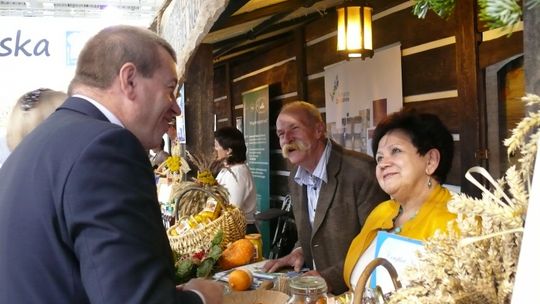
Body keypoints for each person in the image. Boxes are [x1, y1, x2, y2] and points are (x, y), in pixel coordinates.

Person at [0, 25, 223, 304]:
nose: (176, 108)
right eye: (170, 90)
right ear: (129, 80)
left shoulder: (32, 149)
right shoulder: (106, 147)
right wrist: (201, 297)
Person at [263, 101, 388, 294]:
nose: (287, 138)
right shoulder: (295, 175)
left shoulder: (362, 171)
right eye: (280, 134)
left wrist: (329, 278)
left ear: (319, 130)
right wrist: (299, 251)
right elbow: (315, 229)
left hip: (356, 292)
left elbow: (377, 243)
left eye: (294, 128)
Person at [342, 109, 457, 290]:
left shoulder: (455, 221)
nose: (383, 164)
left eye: (395, 151)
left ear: (430, 161)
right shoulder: (381, 211)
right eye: (379, 157)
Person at [214, 126, 258, 234]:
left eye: (216, 146)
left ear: (228, 150)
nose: (214, 149)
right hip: (228, 229)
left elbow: (232, 210)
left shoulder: (238, 173)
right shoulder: (228, 169)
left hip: (239, 232)